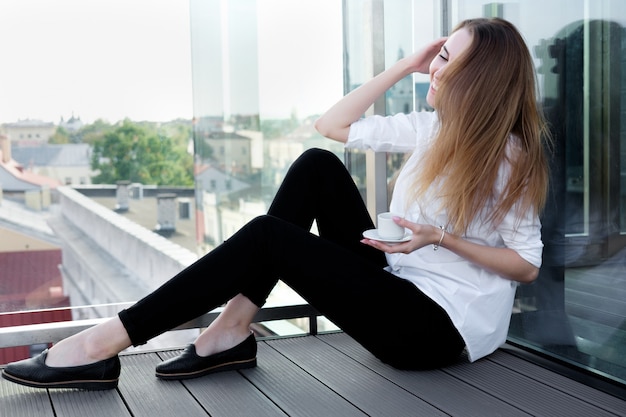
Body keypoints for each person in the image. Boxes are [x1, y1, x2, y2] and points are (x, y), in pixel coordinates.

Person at [2, 17, 549, 391]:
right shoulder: (432, 128)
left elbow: (526, 266)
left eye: (446, 59)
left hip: (434, 329)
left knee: (269, 236)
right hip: (398, 280)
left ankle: (105, 342)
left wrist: (441, 239)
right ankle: (232, 332)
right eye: (438, 55)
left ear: (476, 79)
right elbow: (333, 125)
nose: (436, 66)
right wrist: (407, 64)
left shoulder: (510, 157)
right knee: (316, 163)